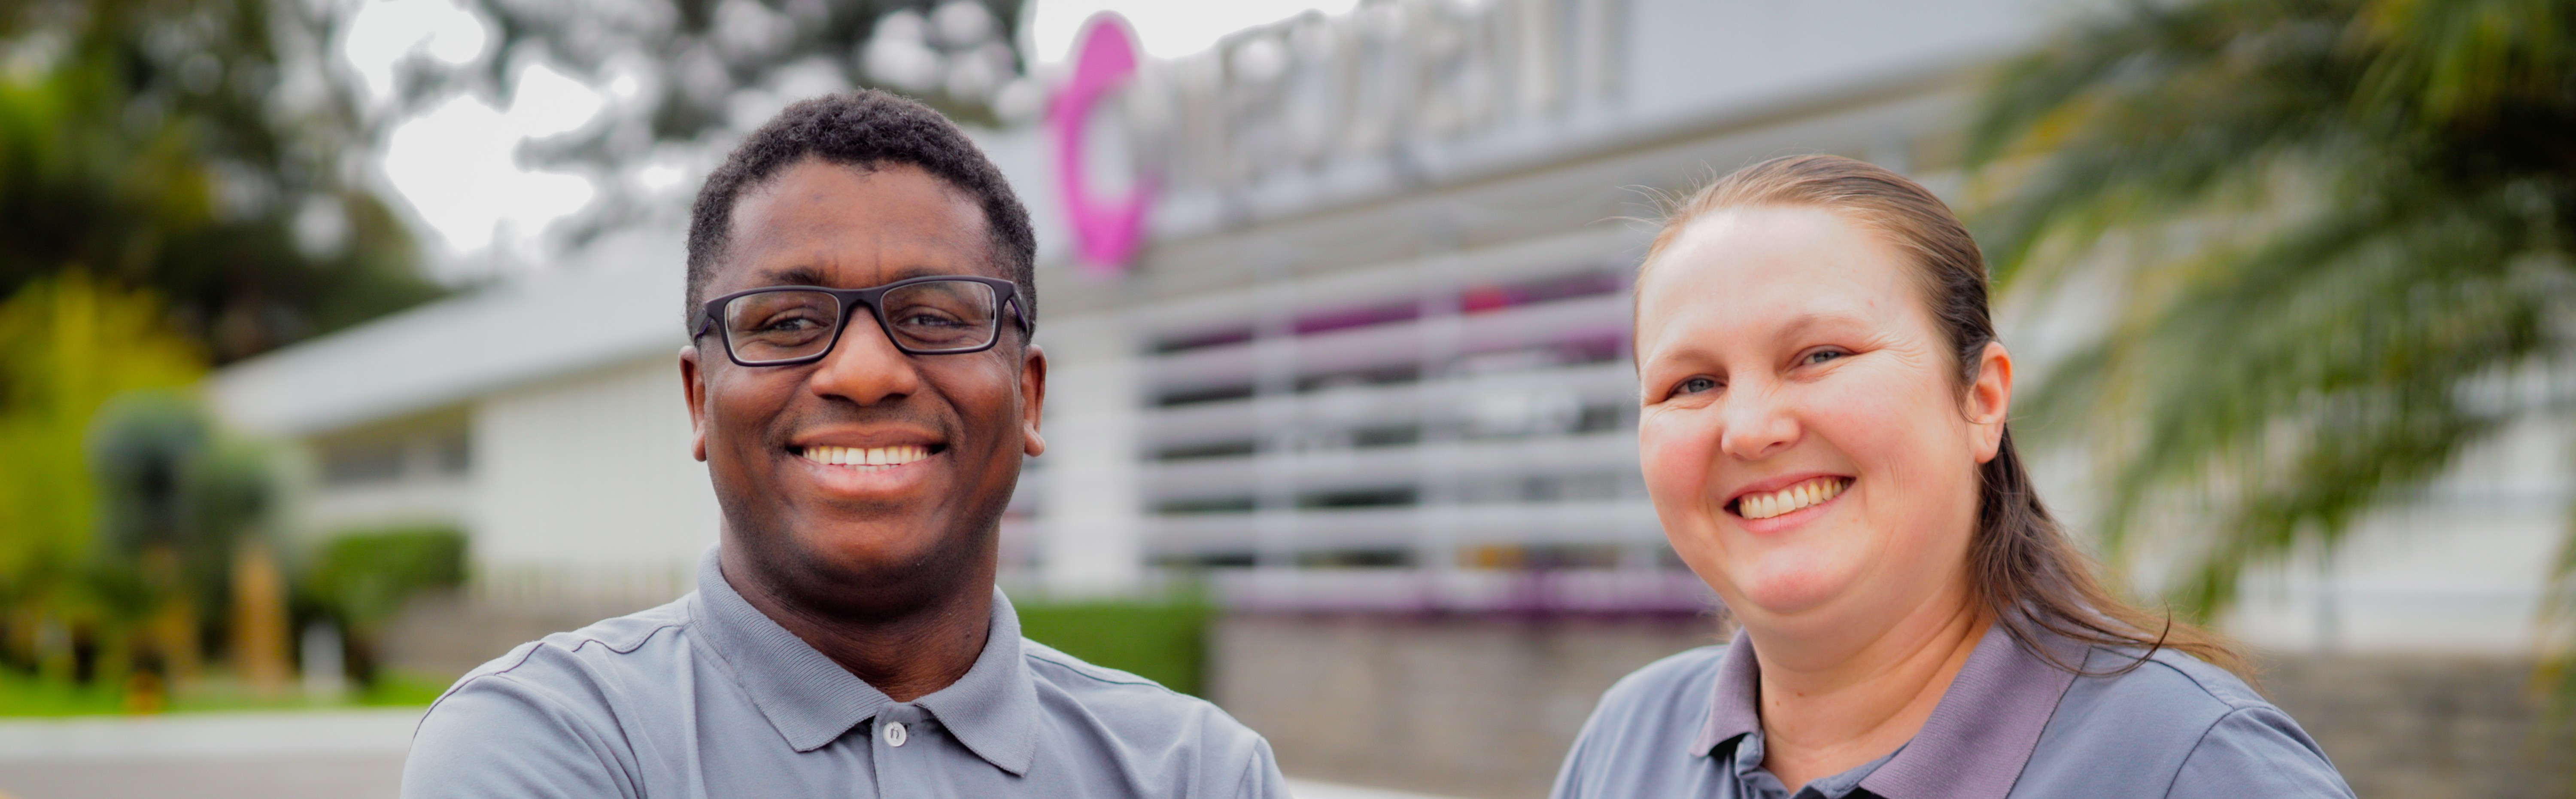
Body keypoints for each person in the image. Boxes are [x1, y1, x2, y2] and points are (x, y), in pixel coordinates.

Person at [403, 90, 1287, 798]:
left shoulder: (1195, 773)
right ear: (700, 400)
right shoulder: (549, 741)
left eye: (933, 316)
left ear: (1028, 396)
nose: (865, 373)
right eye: (788, 322)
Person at [1552, 155, 2354, 799]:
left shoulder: (2191, 765)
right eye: (1692, 384)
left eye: (1821, 355)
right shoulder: (1631, 739)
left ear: (1981, 398)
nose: (1751, 429)